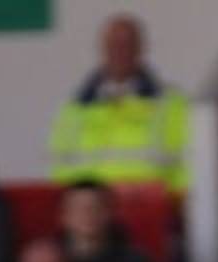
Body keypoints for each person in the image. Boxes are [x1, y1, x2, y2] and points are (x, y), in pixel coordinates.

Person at [50, 13, 188, 195]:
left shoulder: (171, 105)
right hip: (92, 215)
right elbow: (59, 168)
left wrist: (178, 207)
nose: (119, 52)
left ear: (140, 49)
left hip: (150, 211)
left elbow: (187, 166)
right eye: (113, 46)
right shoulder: (75, 108)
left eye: (127, 45)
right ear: (102, 49)